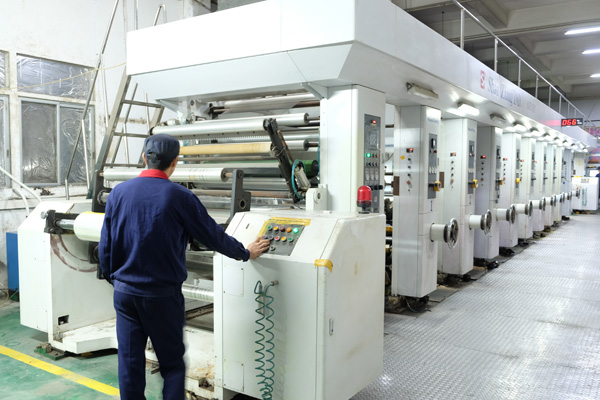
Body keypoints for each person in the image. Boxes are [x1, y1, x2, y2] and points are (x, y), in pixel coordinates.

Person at [99, 134, 270, 400]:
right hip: (162, 297)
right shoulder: (180, 196)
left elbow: (106, 245)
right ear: (175, 162)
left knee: (130, 363)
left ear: (144, 158)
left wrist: (117, 280)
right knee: (171, 364)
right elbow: (213, 236)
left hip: (125, 294)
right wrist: (245, 253)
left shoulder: (118, 193)